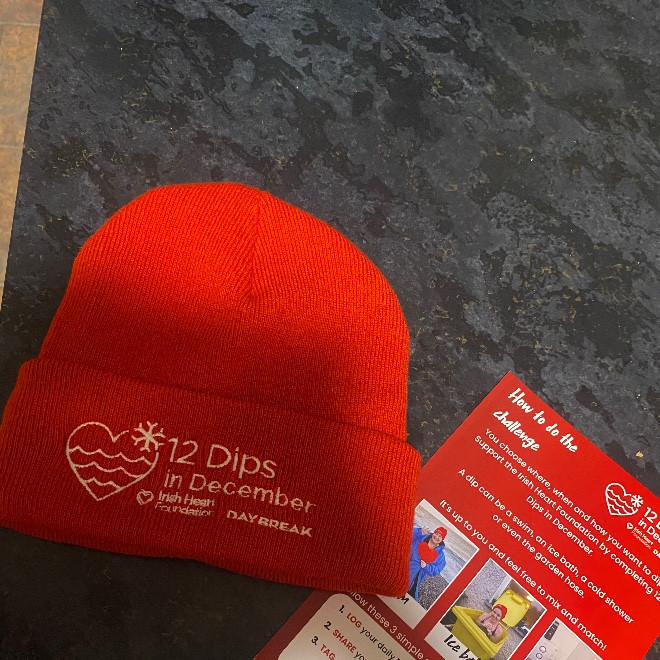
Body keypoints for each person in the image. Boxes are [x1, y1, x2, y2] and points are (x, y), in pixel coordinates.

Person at [408, 525, 447, 601]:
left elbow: (437, 570)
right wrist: (419, 532)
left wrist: (426, 566)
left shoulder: (440, 555)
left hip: (417, 579)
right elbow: (406, 534)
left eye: (440, 536)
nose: (436, 537)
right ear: (433, 533)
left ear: (442, 539)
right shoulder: (420, 538)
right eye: (436, 533)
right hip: (403, 570)